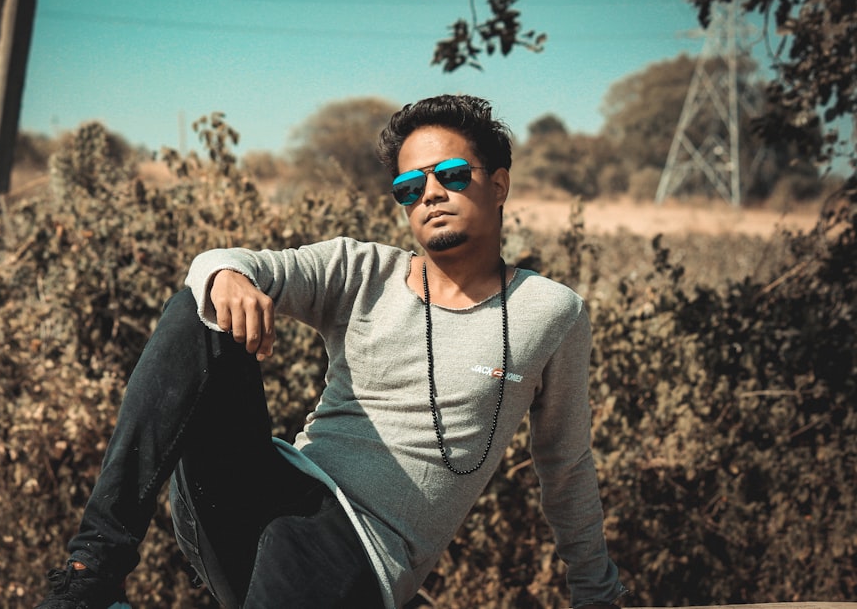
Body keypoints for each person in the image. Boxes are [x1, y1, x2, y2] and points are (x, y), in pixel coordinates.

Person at [36, 94, 627, 608]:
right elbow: (220, 265)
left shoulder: (550, 312)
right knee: (199, 311)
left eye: (451, 174)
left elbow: (566, 465)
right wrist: (226, 278)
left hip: (361, 552)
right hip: (266, 492)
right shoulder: (361, 270)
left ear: (498, 183)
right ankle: (89, 578)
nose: (430, 195)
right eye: (409, 187)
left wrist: (596, 597)